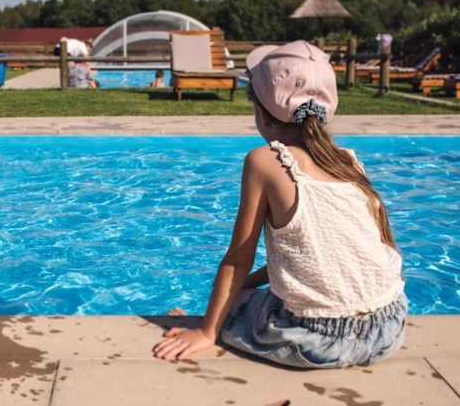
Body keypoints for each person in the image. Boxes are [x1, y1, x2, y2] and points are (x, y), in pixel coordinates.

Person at [153, 40, 406, 369]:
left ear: (261, 113)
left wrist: (206, 330)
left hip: (317, 342)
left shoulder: (265, 161)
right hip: (387, 328)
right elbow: (320, 258)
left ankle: (206, 324)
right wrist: (249, 282)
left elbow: (238, 259)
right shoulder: (348, 162)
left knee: (236, 303)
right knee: (248, 292)